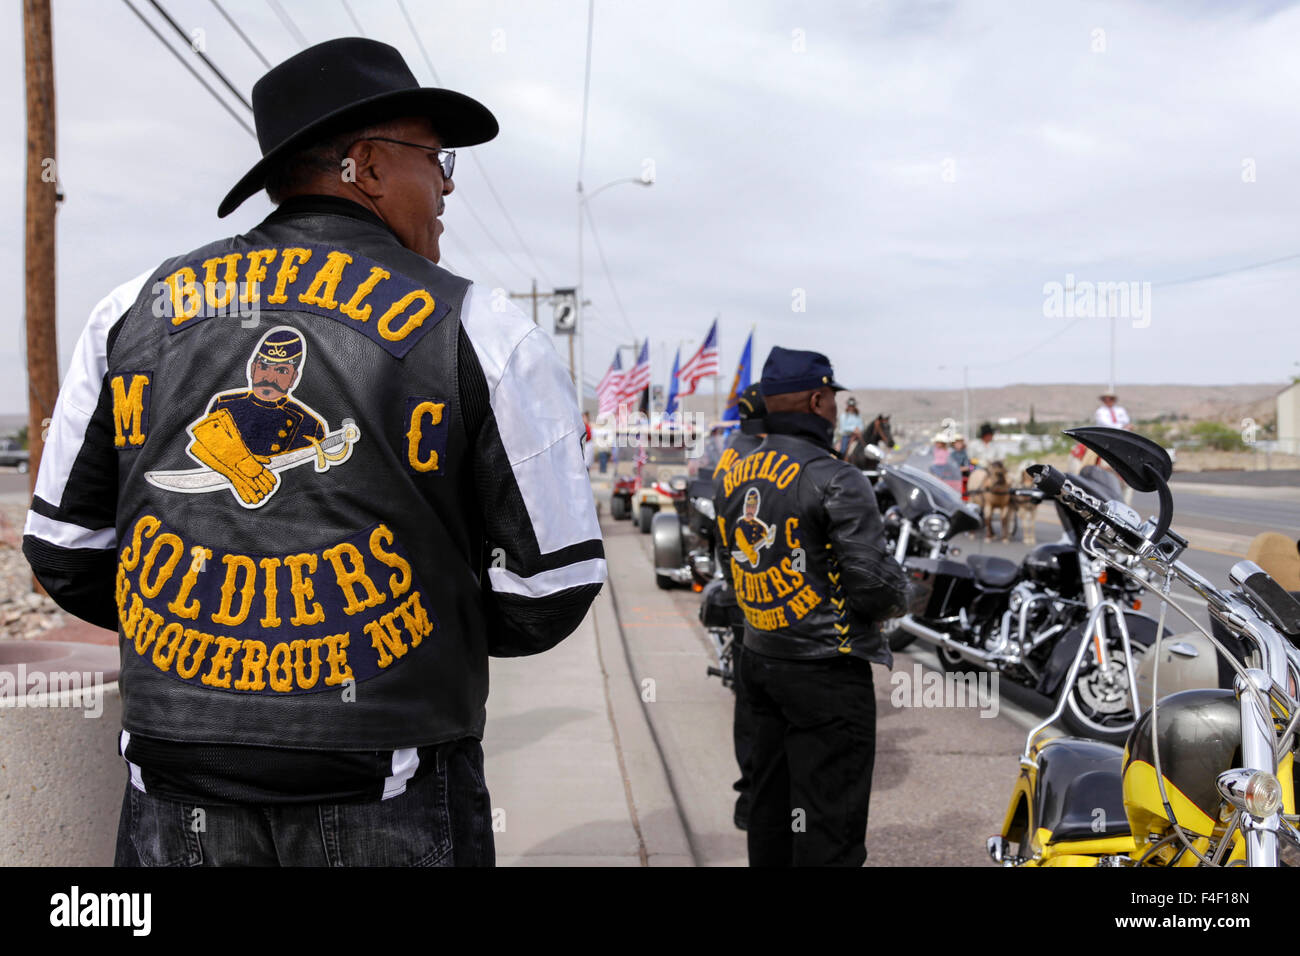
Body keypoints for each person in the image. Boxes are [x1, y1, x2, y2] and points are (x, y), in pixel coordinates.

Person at [22, 38, 605, 867]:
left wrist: (213, 639)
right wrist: (399, 634)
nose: (445, 186)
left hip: (177, 784)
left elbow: (64, 547)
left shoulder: (131, 312)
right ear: (365, 165)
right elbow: (551, 584)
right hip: (387, 783)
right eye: (435, 158)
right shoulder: (479, 327)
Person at [715, 348, 907, 866]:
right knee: (830, 830)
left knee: (770, 817)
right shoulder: (837, 476)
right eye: (833, 400)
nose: (837, 410)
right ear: (818, 399)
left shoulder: (732, 472)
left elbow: (729, 563)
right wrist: (905, 591)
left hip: (757, 658)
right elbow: (870, 583)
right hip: (826, 669)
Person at [709, 383, 766, 830]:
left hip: (734, 577)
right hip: (765, 593)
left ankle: (750, 798)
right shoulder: (767, 456)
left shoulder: (731, 451)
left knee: (749, 702)